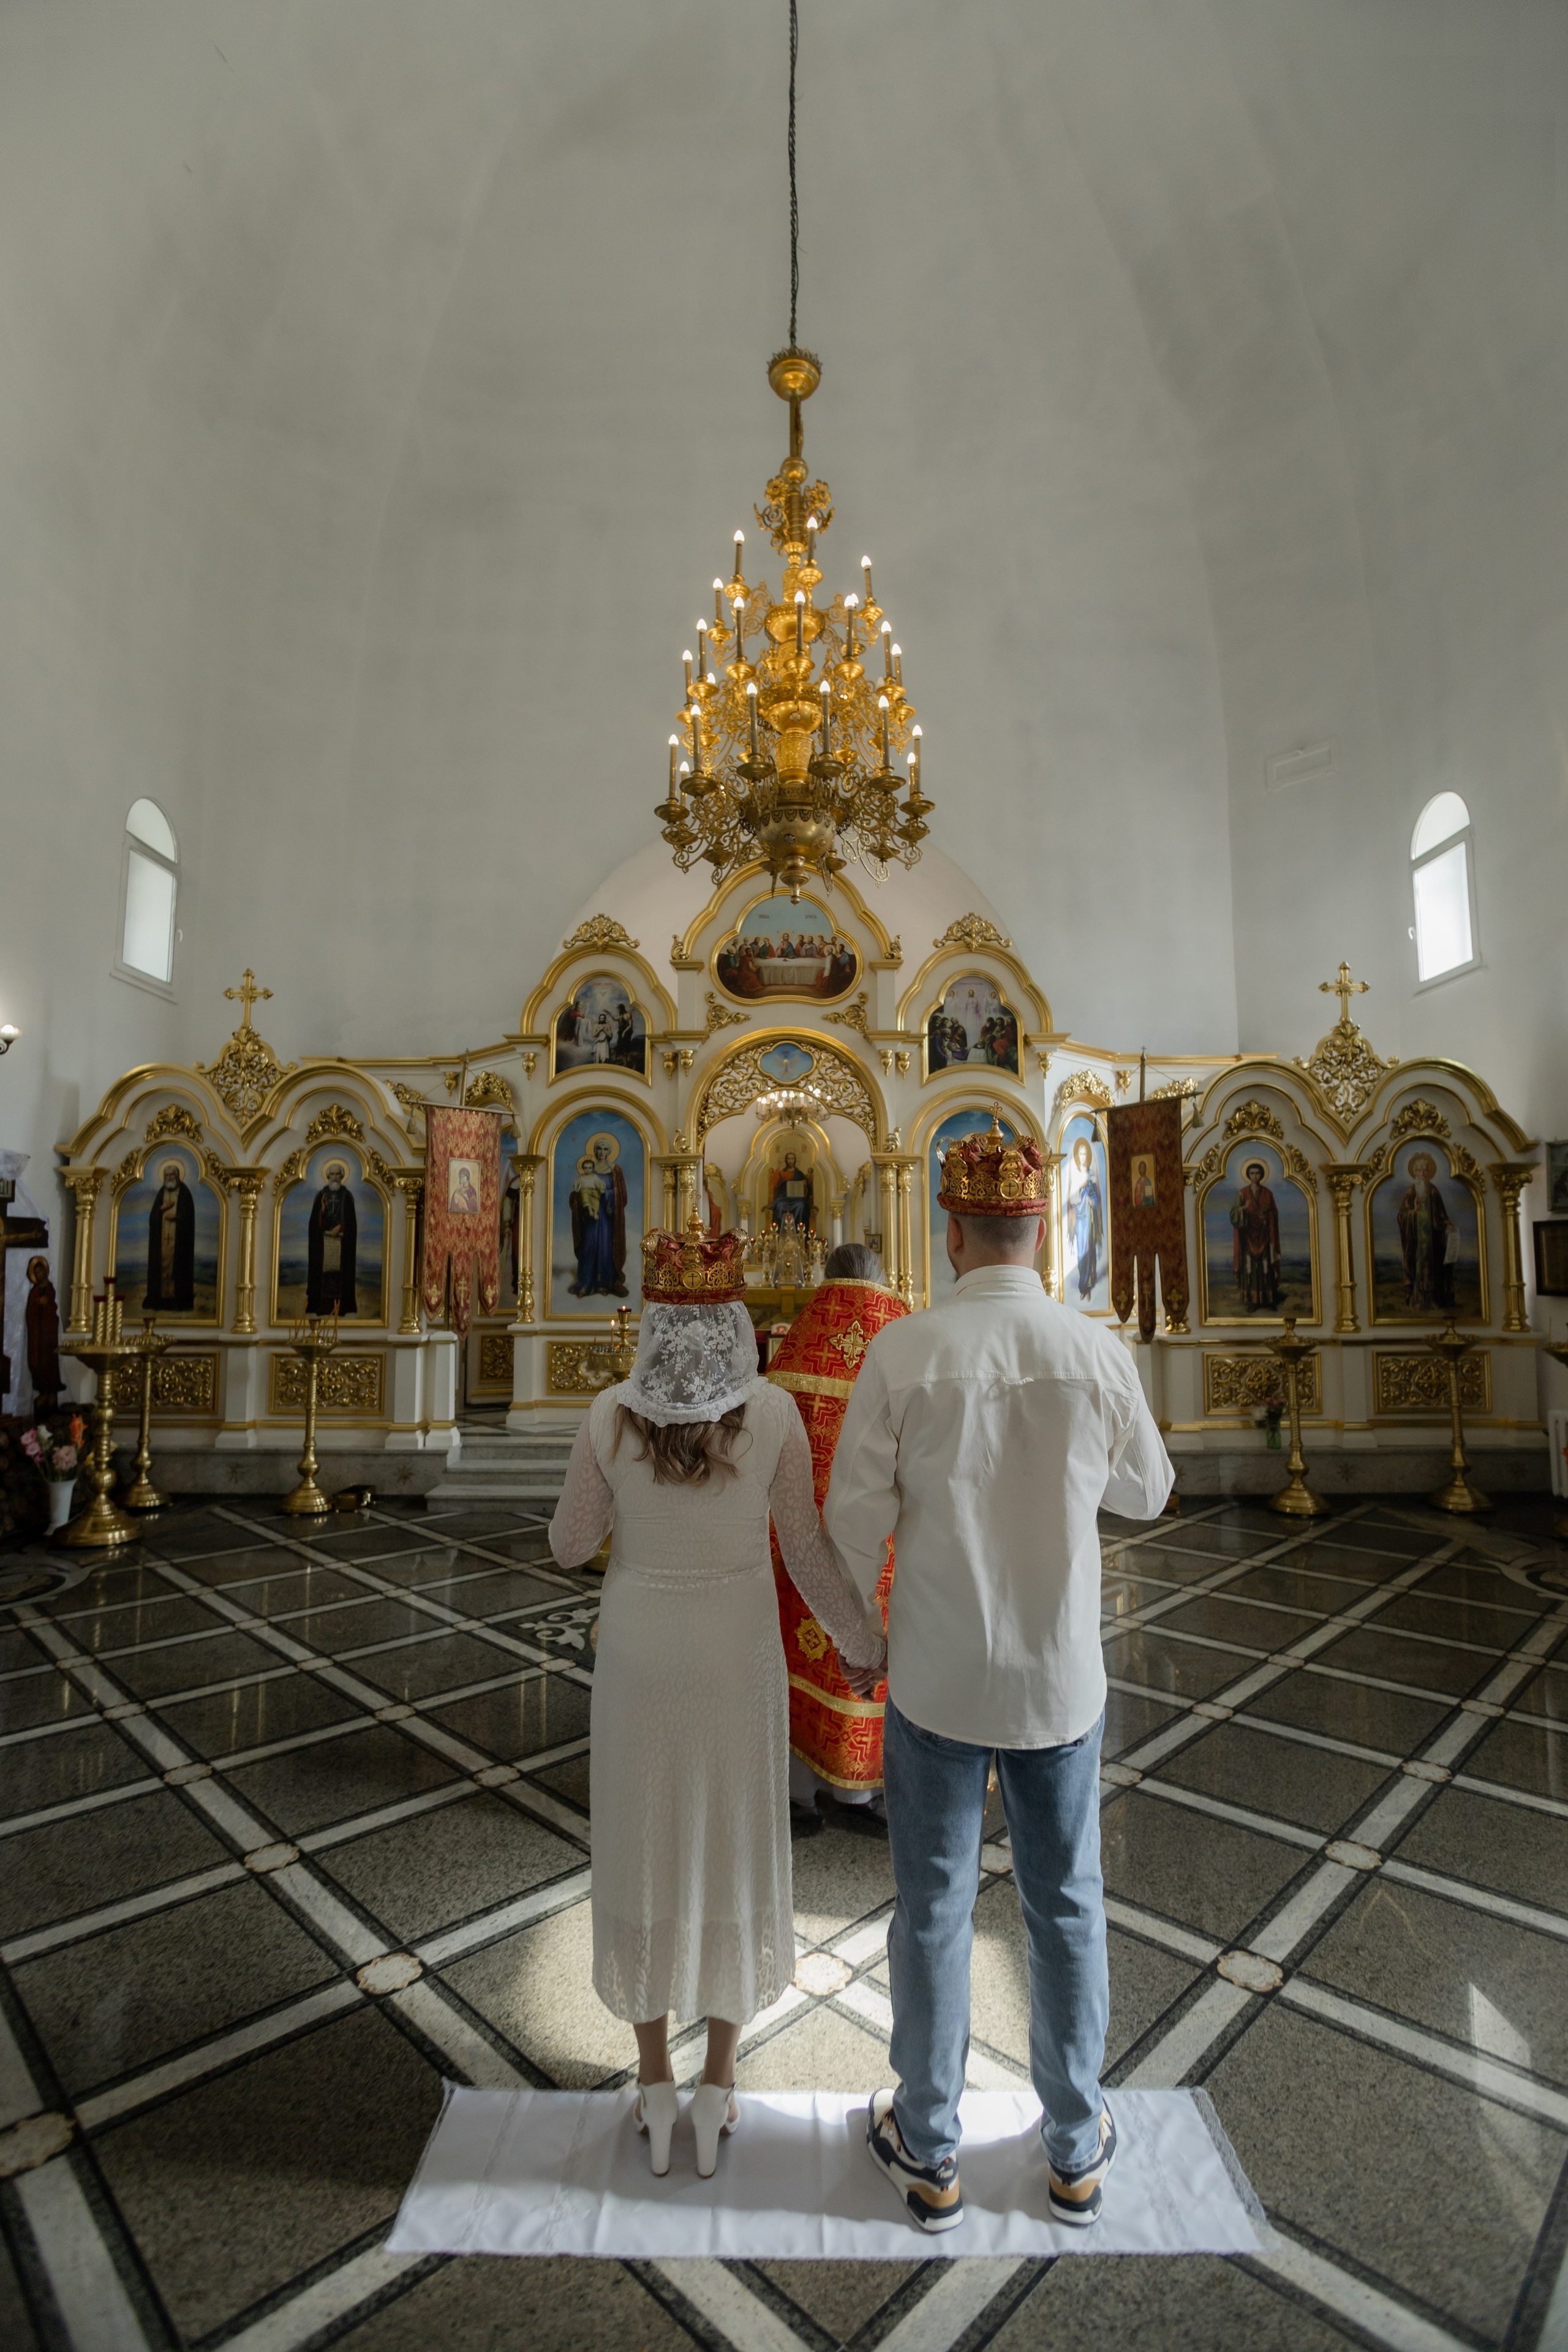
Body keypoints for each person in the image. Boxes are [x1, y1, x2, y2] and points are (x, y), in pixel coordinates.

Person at [825, 1111, 1172, 2235]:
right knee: (1066, 1901)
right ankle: (1075, 2151)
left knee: (931, 1905)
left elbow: (850, 1515)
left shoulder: (906, 1350)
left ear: (954, 1233)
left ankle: (929, 2152)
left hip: (935, 1674)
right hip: (1058, 1679)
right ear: (1036, 1230)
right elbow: (1147, 1494)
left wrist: (870, 1642)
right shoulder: (1092, 1349)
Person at [549, 1219, 882, 2180]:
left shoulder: (610, 1413)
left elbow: (570, 1545)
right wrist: (864, 1648)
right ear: (735, 1322)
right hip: (738, 1653)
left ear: (656, 1324)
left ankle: (654, 2079)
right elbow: (809, 1556)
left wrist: (616, 1507)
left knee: (644, 1841)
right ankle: (718, 2081)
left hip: (642, 1654)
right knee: (735, 1842)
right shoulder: (773, 1413)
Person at [766, 1243, 908, 1814]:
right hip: (888, 1536)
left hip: (807, 1536)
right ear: (881, 1277)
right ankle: (872, 1788)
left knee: (806, 1643)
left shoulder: (800, 1339)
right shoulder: (904, 1340)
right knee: (880, 1648)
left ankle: (803, 1789)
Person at [1398, 1150, 1455, 1313]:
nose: (1422, 1174)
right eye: (1419, 1171)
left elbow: (1441, 1215)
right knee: (1418, 1270)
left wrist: (1447, 1223)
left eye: (1425, 1171)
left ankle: (1433, 1301)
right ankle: (1418, 1300)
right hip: (1416, 1241)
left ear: (1429, 1172)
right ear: (1414, 1173)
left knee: (1435, 1270)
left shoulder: (1434, 1191)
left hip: (1433, 1240)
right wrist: (1414, 1213)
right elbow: (1402, 1216)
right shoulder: (1411, 1191)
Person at [306, 1161, 358, 1316]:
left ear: (342, 1177)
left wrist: (341, 1227)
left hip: (342, 1244)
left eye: (338, 1174)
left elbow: (351, 1222)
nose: (335, 1177)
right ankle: (321, 1307)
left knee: (340, 1274)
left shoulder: (347, 1196)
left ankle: (341, 1308)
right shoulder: (321, 1195)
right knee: (323, 1274)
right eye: (332, 1174)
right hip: (324, 1243)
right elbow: (314, 1223)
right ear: (328, 1176)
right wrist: (322, 1209)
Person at [143, 1160, 196, 1311]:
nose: (170, 1178)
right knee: (161, 1267)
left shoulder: (185, 1193)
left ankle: (178, 1300)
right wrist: (161, 1209)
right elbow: (153, 1217)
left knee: (177, 1269)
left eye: (172, 1175)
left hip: (178, 1242)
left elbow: (189, 1216)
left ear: (178, 1176)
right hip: (162, 1242)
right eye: (167, 1175)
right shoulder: (162, 1193)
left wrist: (178, 1217)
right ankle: (159, 1299)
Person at [1230, 1159, 1281, 1312]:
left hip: (1264, 1235)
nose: (1255, 1176)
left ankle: (1268, 1299)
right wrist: (1242, 1210)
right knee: (1250, 1267)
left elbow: (1274, 1213)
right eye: (1252, 1173)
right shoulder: (1242, 1193)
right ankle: (1251, 1300)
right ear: (1248, 1175)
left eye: (1258, 1173)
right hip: (1248, 1236)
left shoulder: (1268, 1193)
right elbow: (1233, 1214)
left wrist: (1269, 1217)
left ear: (1262, 1175)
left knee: (1265, 1267)